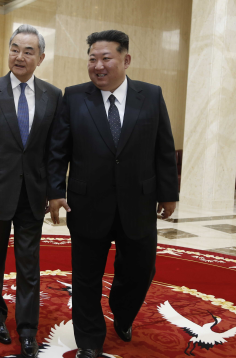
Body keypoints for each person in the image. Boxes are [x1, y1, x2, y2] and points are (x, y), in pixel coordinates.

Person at [47, 30, 179, 358]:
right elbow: (58, 150)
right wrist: (55, 190)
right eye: (92, 59)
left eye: (106, 58)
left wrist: (168, 193)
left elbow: (164, 148)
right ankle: (89, 340)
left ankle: (122, 311)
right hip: (87, 203)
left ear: (126, 59)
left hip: (139, 203)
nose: (98, 65)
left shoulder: (150, 95)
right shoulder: (74, 97)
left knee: (140, 270)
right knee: (86, 276)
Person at [0, 24, 62, 358]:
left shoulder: (53, 95)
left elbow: (54, 150)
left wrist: (54, 190)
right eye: (15, 49)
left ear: (41, 58)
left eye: (28, 51)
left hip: (33, 194)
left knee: (29, 265)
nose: (19, 57)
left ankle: (28, 329)